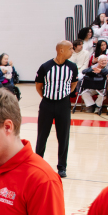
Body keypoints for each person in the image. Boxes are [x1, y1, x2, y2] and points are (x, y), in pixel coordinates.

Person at [34, 40, 79, 178]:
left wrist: (63, 96)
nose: (73, 51)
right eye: (71, 49)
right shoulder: (45, 67)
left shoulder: (72, 67)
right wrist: (48, 97)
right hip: (47, 104)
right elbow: (38, 86)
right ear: (61, 50)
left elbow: (73, 85)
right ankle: (37, 163)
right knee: (42, 135)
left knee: (63, 136)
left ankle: (62, 166)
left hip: (63, 104)